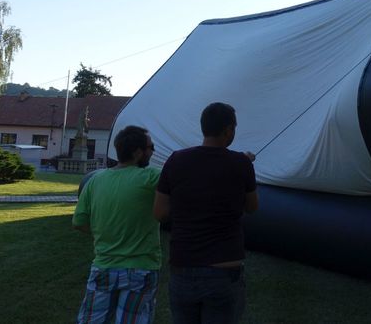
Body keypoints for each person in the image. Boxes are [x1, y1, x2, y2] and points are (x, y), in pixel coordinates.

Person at [153, 102, 258, 324]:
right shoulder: (242, 163)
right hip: (225, 269)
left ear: (204, 127)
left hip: (183, 266)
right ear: (228, 130)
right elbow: (252, 207)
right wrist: (244, 166)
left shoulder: (176, 160)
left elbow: (160, 212)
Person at [73, 125, 161, 324]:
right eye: (151, 147)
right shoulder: (152, 177)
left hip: (103, 267)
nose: (153, 151)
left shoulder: (95, 181)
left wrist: (104, 233)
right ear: (137, 152)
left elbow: (79, 222)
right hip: (141, 270)